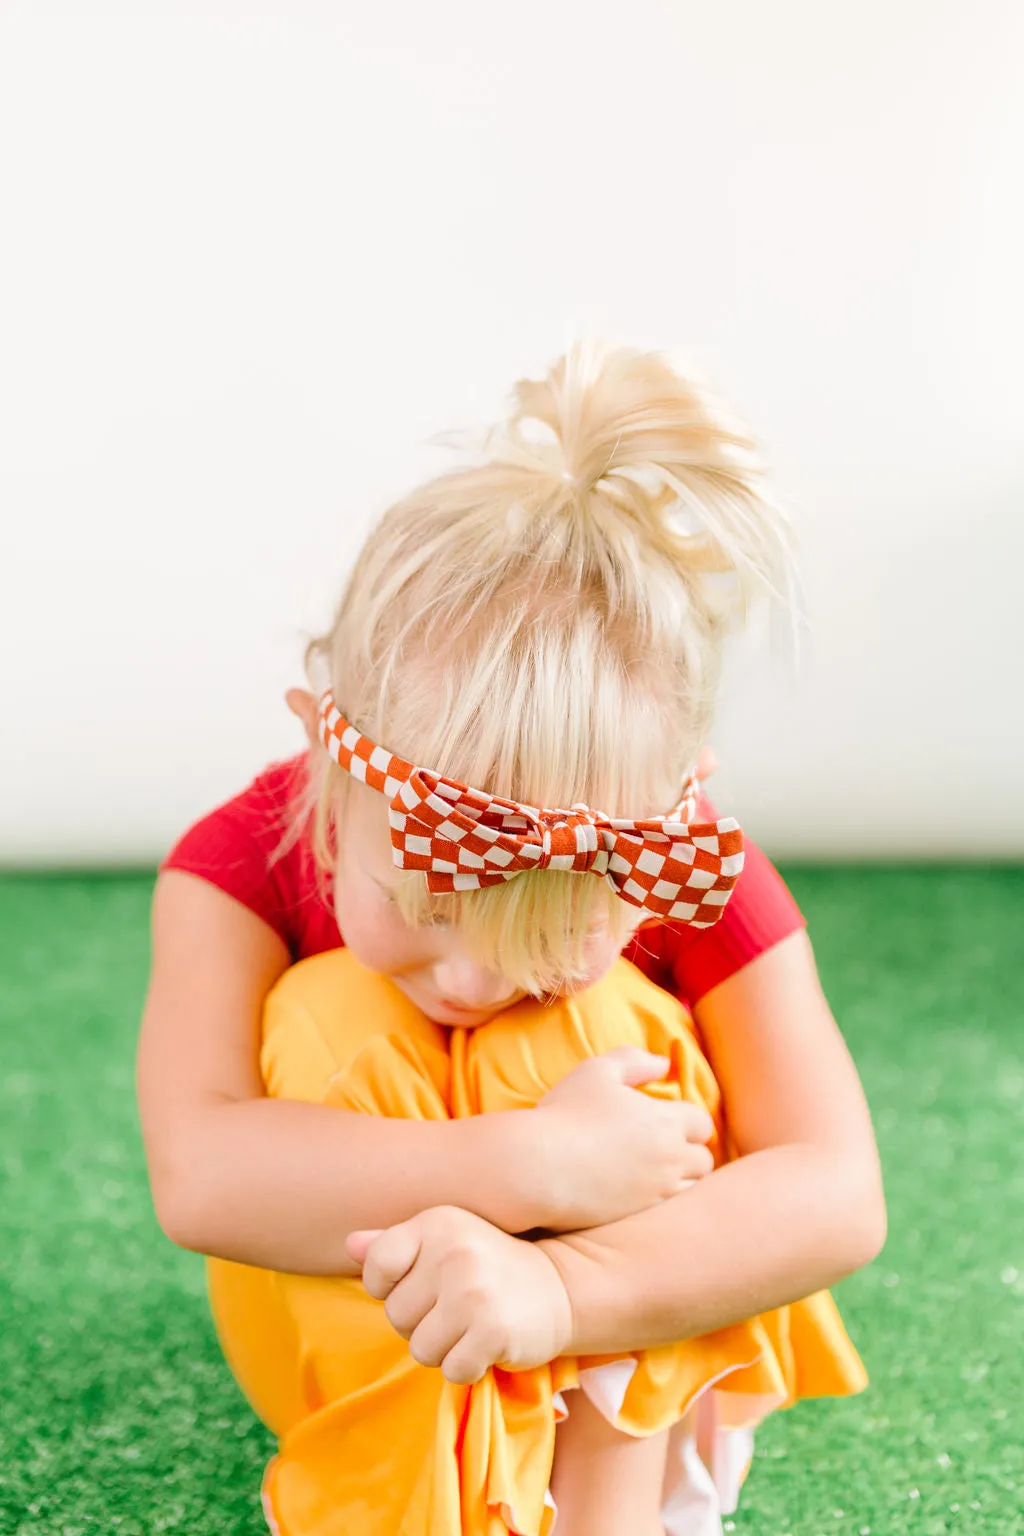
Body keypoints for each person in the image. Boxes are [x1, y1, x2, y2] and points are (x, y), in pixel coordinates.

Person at [136, 344, 885, 1536]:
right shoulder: (235, 866)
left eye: (558, 932)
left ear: (679, 804)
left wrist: (562, 1286)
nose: (476, 980)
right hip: (371, 1334)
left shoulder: (701, 867)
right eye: (430, 911)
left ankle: (610, 1503)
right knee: (331, 1013)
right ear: (332, 761)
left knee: (604, 1028)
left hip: (634, 1335)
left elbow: (837, 1190)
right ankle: (412, 1490)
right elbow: (203, 1172)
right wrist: (526, 1164)